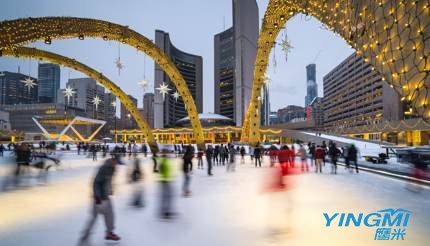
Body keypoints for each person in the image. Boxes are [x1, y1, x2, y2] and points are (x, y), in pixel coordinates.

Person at [79, 152, 123, 243]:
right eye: (117, 162)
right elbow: (96, 183)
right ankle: (85, 236)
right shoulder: (104, 168)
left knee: (110, 215)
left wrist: (110, 189)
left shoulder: (112, 168)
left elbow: (107, 181)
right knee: (94, 218)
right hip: (98, 198)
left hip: (105, 197)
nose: (117, 165)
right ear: (113, 160)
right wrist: (98, 197)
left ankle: (109, 233)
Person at [159, 149, 175, 219]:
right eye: (166, 152)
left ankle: (167, 210)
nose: (168, 154)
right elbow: (161, 170)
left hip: (168, 180)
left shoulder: (166, 160)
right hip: (165, 181)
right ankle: (165, 212)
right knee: (166, 197)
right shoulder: (163, 160)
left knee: (169, 197)